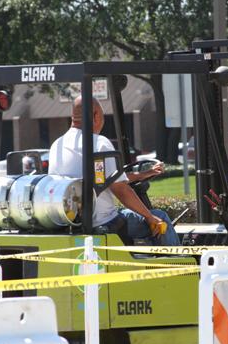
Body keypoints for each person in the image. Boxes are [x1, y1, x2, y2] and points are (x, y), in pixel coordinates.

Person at [48, 95, 180, 246]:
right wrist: (149, 217)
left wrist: (143, 174)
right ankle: (178, 266)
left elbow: (106, 179)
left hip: (72, 220)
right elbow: (120, 189)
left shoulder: (57, 145)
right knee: (160, 217)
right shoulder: (99, 143)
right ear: (96, 115)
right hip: (104, 222)